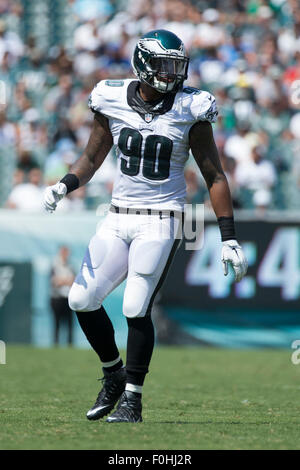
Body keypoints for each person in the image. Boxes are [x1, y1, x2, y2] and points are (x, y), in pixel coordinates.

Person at [44, 30, 248, 423]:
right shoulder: (110, 97)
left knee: (136, 306)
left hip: (162, 218)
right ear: (142, 63)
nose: (172, 74)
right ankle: (113, 375)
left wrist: (229, 238)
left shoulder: (192, 107)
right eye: (164, 65)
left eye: (177, 66)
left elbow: (214, 175)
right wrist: (63, 185)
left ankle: (133, 401)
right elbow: (91, 157)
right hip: (118, 214)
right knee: (80, 300)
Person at [50, 246, 75, 345]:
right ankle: (55, 344)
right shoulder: (55, 265)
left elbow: (73, 280)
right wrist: (66, 280)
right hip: (57, 298)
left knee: (69, 324)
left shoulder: (71, 266)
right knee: (56, 323)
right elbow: (55, 281)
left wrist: (62, 280)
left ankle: (70, 344)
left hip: (68, 298)